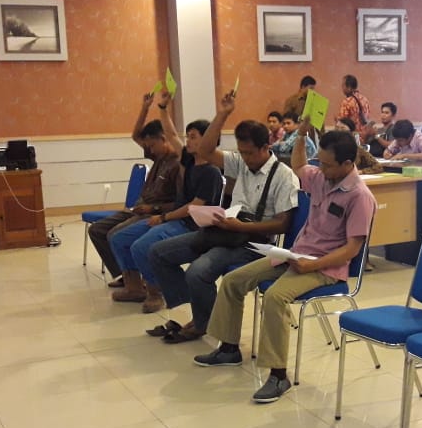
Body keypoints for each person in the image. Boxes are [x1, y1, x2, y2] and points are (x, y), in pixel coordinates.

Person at [195, 124, 376, 404]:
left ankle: (279, 375)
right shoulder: (322, 178)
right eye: (320, 163)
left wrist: (313, 265)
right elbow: (300, 165)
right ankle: (229, 348)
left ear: (347, 163)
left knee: (275, 297)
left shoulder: (360, 197)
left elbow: (352, 249)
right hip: (296, 254)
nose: (321, 169)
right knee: (233, 281)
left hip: (326, 267)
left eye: (327, 165)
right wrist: (301, 135)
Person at [148, 92, 299, 344]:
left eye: (250, 153)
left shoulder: (284, 176)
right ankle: (198, 311)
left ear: (266, 148)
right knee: (158, 253)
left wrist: (241, 226)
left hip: (254, 243)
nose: (245, 158)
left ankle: (203, 323)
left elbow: (283, 224)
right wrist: (223, 113)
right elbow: (205, 150)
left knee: (197, 272)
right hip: (225, 231)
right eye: (241, 152)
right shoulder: (241, 163)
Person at [109, 95, 223, 311]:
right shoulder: (189, 160)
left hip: (189, 225)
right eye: (188, 137)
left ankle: (156, 292)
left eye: (193, 137)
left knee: (141, 247)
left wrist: (162, 217)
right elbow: (170, 134)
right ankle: (135, 288)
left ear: (208, 139)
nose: (187, 141)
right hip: (173, 220)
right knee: (120, 238)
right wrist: (162, 108)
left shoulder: (211, 172)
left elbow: (193, 208)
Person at [88, 93, 181, 287]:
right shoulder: (159, 156)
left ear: (164, 139)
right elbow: (136, 136)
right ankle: (126, 274)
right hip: (139, 209)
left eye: (152, 145)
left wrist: (153, 209)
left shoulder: (178, 164)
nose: (150, 150)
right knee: (97, 230)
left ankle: (137, 282)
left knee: (116, 234)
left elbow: (180, 203)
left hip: (154, 212)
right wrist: (145, 108)